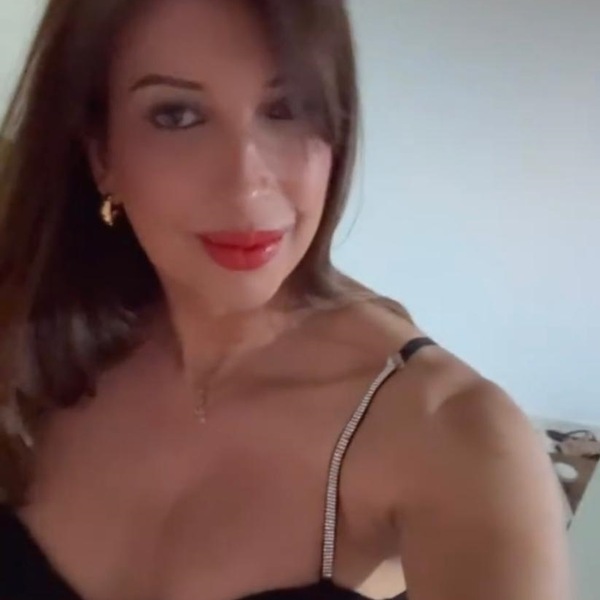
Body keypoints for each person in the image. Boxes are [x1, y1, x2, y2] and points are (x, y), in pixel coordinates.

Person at [0, 1, 570, 599]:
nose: (246, 182)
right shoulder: (33, 347)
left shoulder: (454, 434)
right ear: (102, 154)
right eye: (177, 115)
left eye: (287, 108)